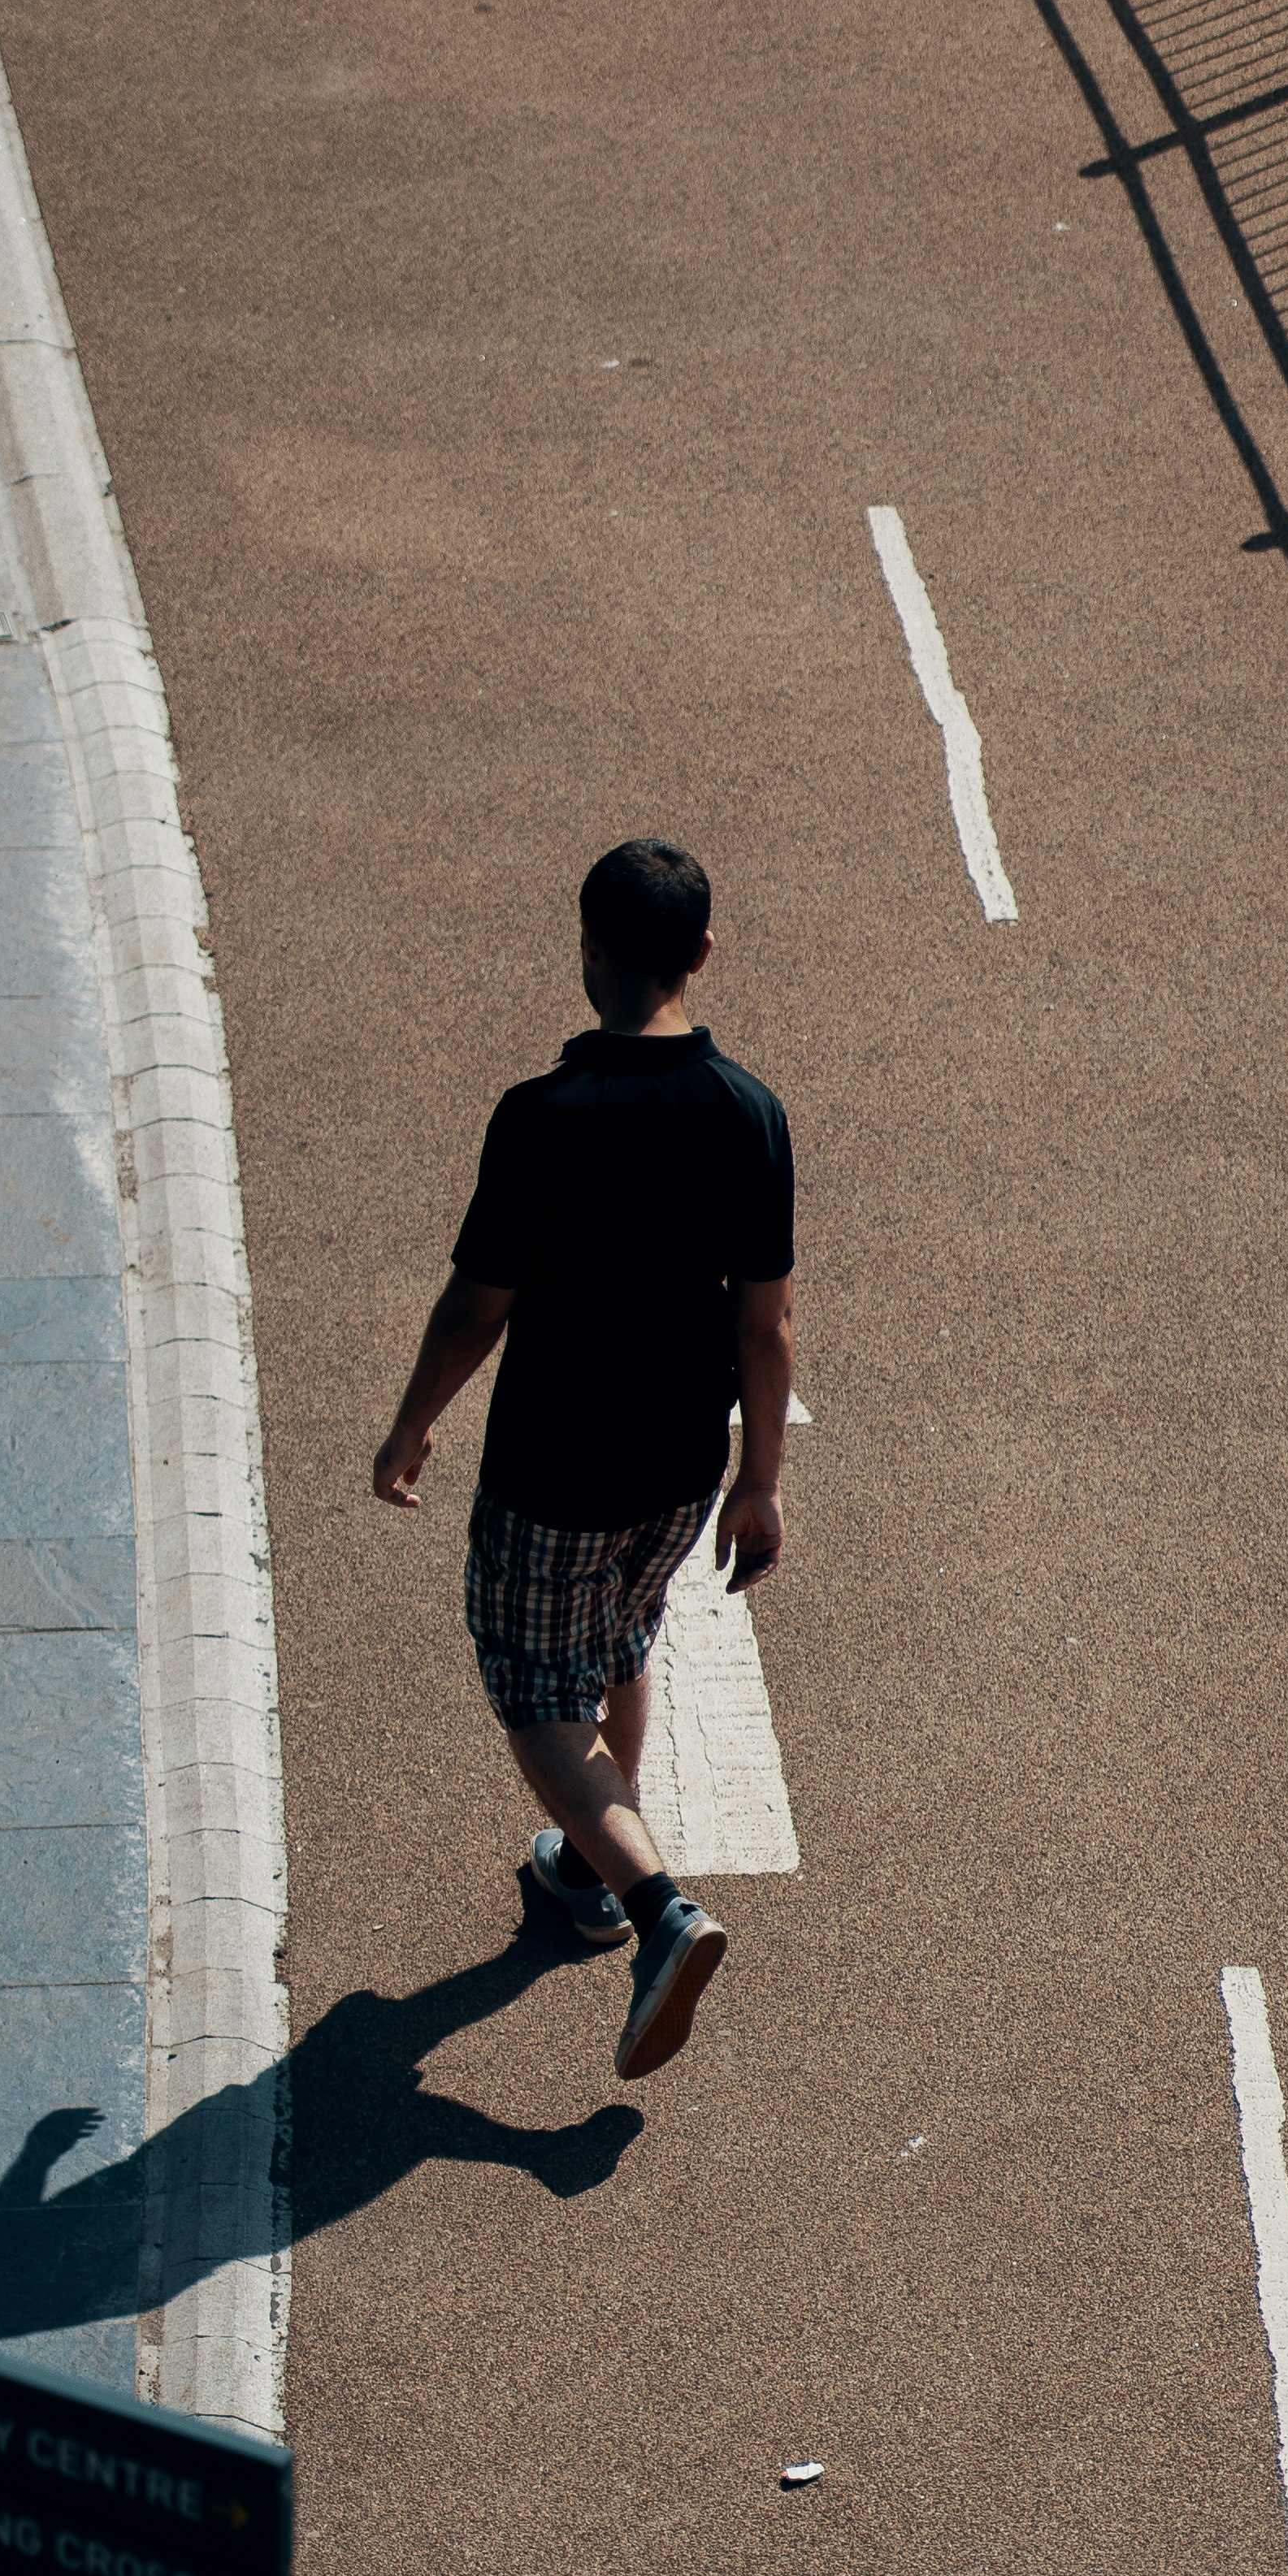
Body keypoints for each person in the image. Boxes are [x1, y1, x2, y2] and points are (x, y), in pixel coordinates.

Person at [371, 839, 796, 2081]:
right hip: (677, 1466)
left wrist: (411, 1422)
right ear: (703, 955)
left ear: (587, 953)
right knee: (619, 1641)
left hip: (549, 1468)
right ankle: (587, 1868)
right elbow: (765, 1323)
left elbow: (475, 1306)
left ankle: (657, 1906)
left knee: (538, 1698)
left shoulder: (543, 1116)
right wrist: (758, 1482)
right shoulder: (748, 1112)